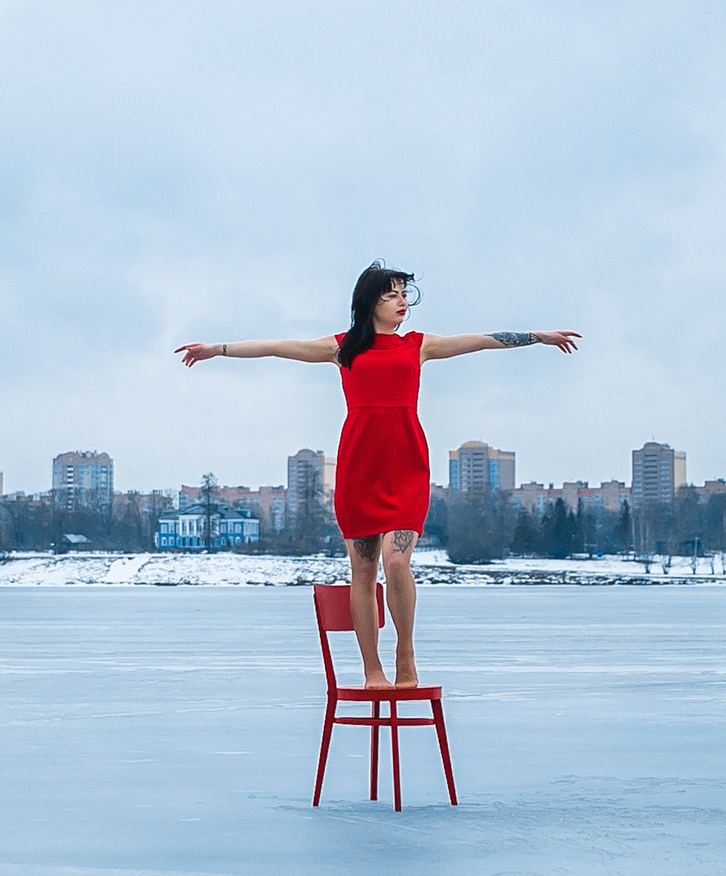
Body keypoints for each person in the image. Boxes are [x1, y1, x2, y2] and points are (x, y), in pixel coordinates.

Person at [175, 263, 579, 689]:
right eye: (392, 295)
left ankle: (406, 654)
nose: (402, 302)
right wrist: (217, 349)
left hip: (406, 467)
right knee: (364, 572)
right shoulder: (342, 348)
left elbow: (479, 340)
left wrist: (538, 336)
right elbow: (277, 347)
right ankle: (372, 669)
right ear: (370, 303)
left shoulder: (419, 346)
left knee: (397, 562)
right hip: (359, 470)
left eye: (405, 294)